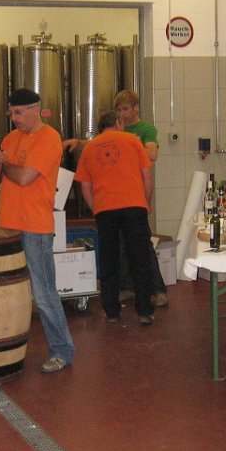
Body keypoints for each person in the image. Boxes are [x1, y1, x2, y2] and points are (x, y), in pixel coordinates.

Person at [0, 88, 75, 374]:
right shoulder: (11, 139)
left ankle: (62, 350)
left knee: (44, 293)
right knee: (12, 290)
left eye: (18, 112)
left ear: (35, 110)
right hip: (9, 226)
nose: (14, 118)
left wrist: (5, 164)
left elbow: (25, 177)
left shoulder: (49, 138)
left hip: (35, 227)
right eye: (11, 113)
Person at [74, 111, 156, 325]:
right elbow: (147, 175)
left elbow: (85, 187)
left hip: (105, 209)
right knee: (140, 258)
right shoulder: (132, 140)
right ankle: (144, 311)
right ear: (118, 123)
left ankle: (111, 311)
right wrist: (146, 202)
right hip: (134, 206)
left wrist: (97, 209)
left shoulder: (89, 148)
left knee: (109, 260)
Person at [112, 89, 169, 308]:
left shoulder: (146, 129)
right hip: (118, 193)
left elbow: (152, 153)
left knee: (143, 243)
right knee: (121, 244)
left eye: (125, 109)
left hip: (136, 194)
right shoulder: (117, 129)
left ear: (135, 107)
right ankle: (128, 287)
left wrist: (127, 146)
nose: (122, 113)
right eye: (119, 110)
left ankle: (158, 289)